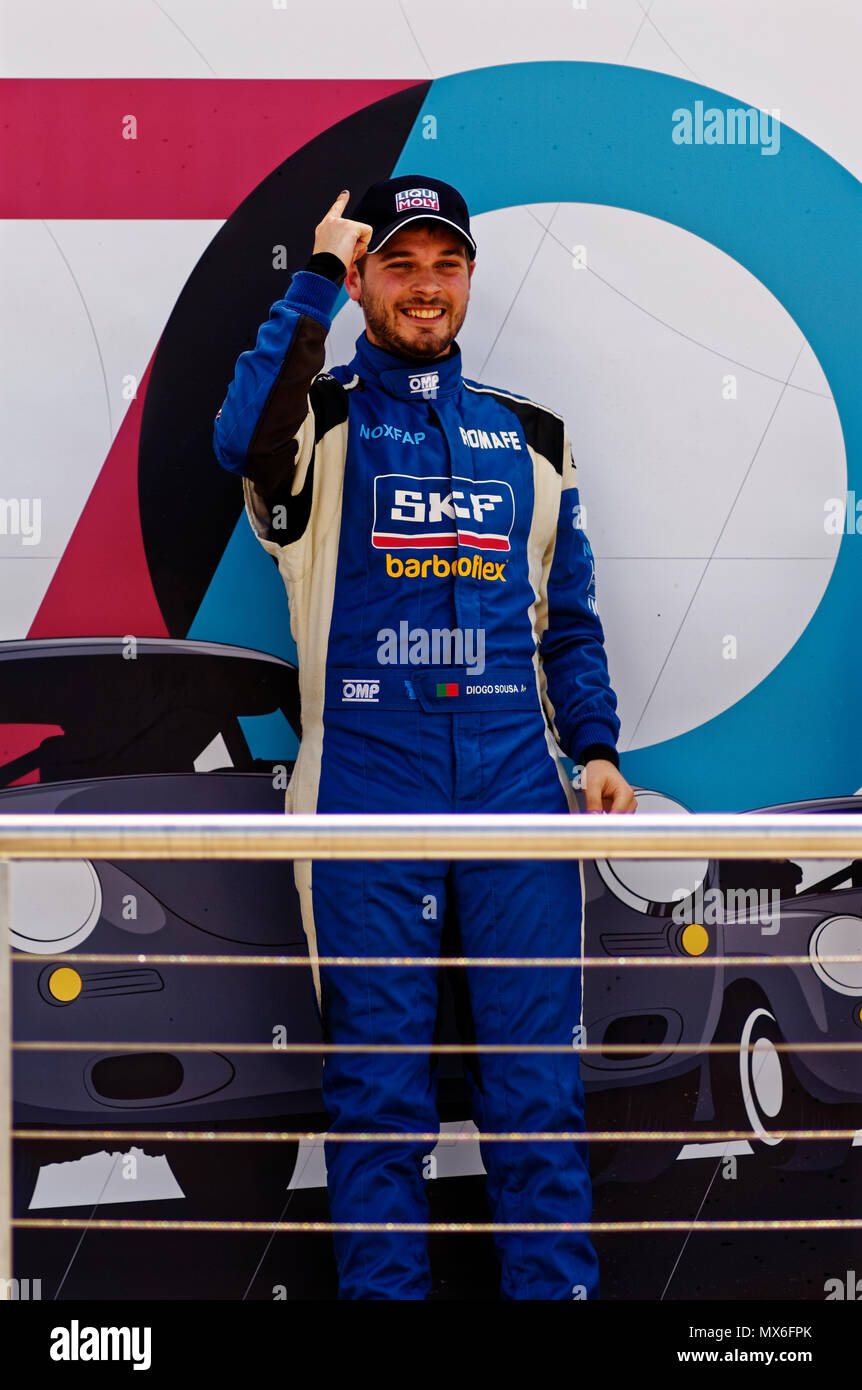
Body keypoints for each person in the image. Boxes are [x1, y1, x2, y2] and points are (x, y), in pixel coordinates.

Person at [213, 174, 637, 1300]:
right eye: (399, 264)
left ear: (468, 279)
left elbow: (569, 616)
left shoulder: (534, 438)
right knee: (378, 1099)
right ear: (364, 282)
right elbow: (238, 434)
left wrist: (594, 746)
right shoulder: (320, 423)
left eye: (444, 264)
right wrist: (309, 278)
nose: (425, 287)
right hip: (364, 790)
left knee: (536, 1095)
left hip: (515, 796)